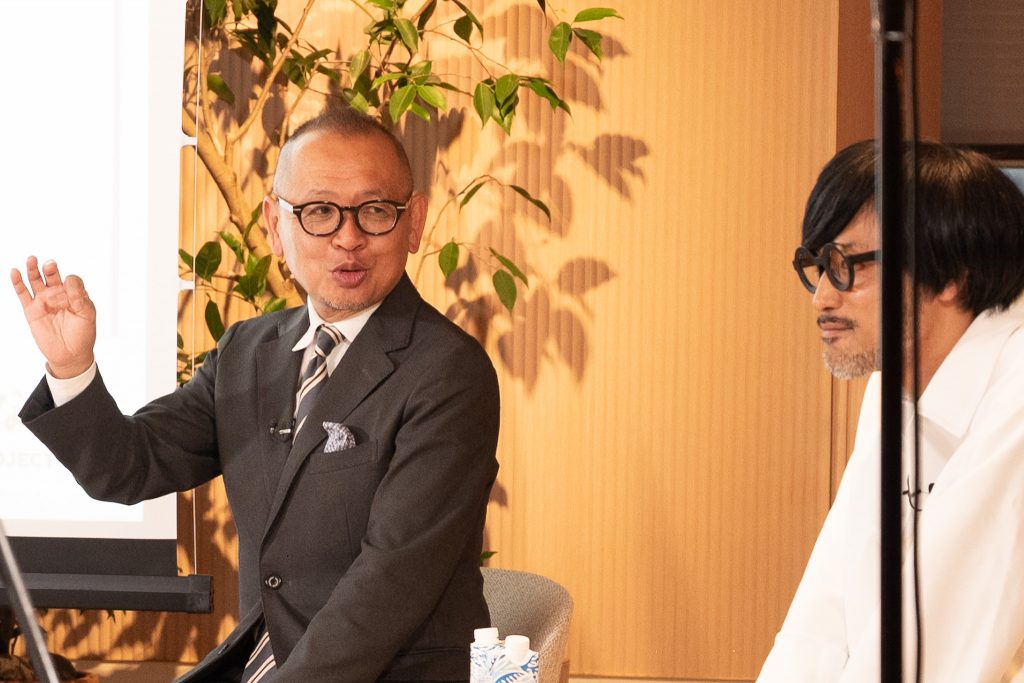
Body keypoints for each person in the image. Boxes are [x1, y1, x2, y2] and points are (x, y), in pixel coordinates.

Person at [11, 106, 500, 682]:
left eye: (374, 211)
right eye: (319, 211)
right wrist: (71, 366)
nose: (348, 238)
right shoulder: (249, 349)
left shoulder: (449, 372)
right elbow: (128, 468)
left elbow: (388, 587)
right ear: (275, 223)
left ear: (413, 221)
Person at [758, 140, 1024, 681]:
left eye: (845, 266)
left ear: (952, 276)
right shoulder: (891, 384)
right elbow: (827, 610)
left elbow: (942, 649)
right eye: (817, 266)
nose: (821, 300)